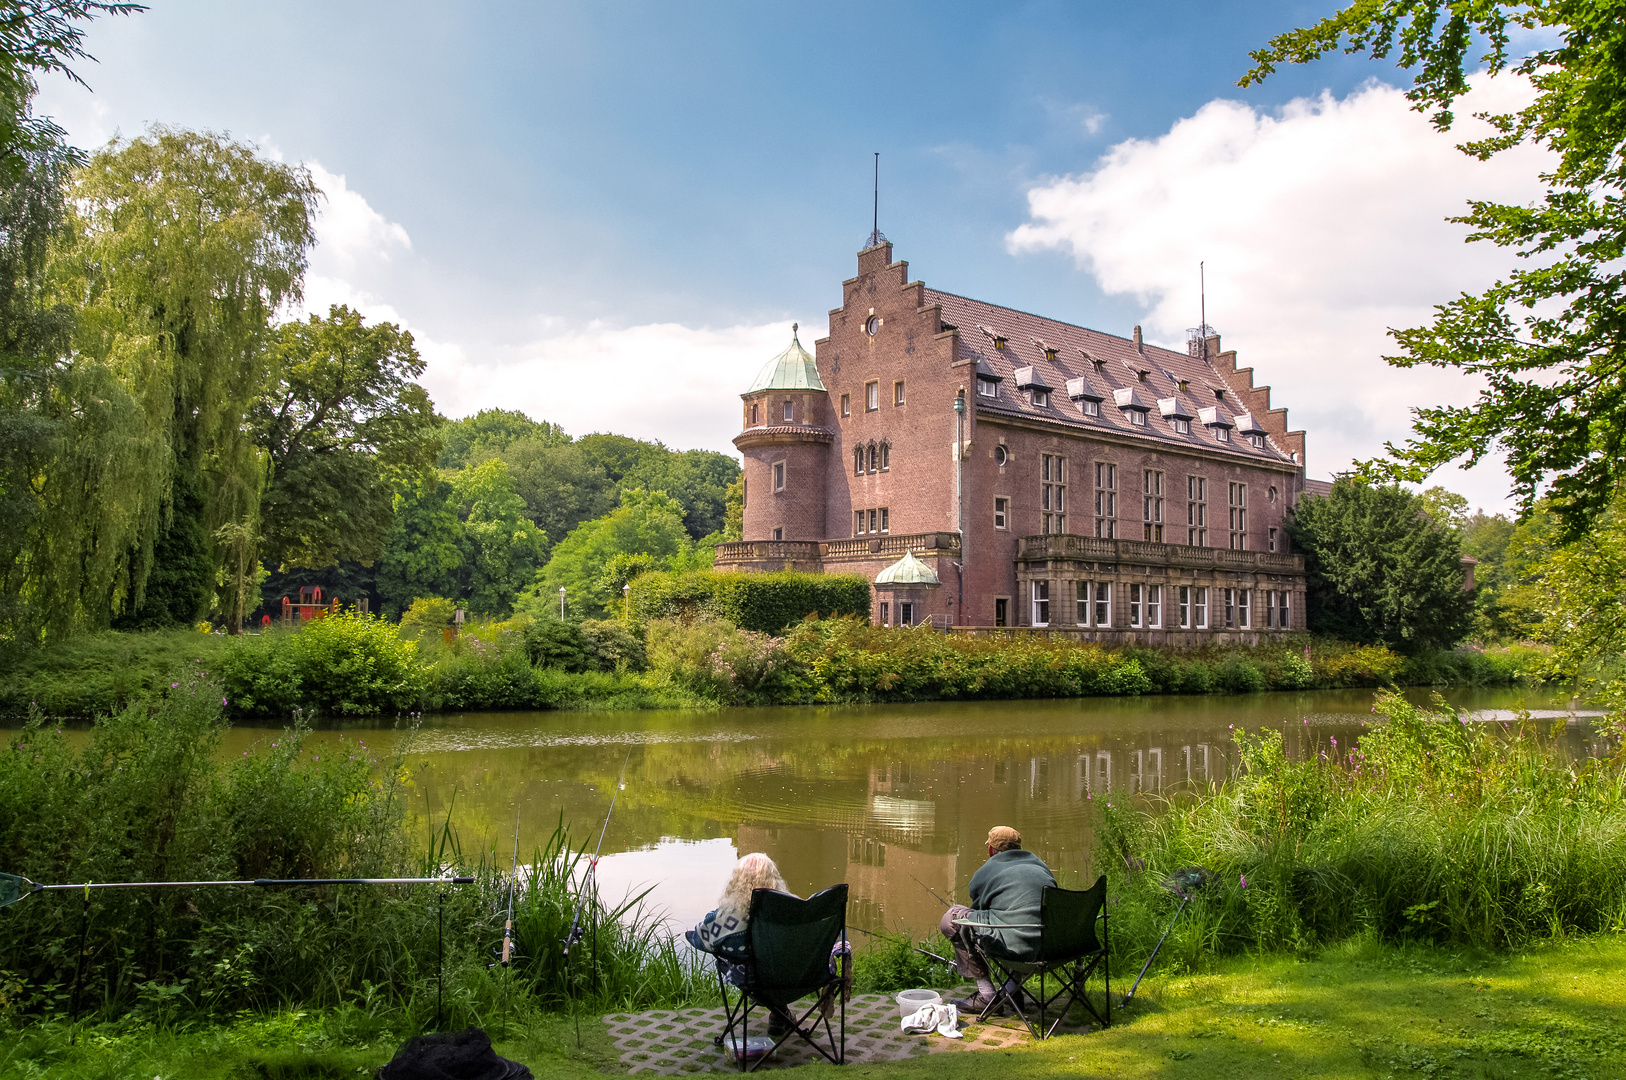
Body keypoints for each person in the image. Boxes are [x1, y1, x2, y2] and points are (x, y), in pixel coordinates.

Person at [941, 825, 1055, 1015]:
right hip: (1050, 948)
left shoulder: (986, 871)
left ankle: (986, 995)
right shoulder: (1041, 866)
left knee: (952, 920)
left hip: (1015, 948)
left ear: (991, 849)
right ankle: (1012, 989)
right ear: (1018, 847)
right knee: (1019, 918)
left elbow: (978, 911)